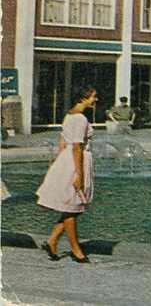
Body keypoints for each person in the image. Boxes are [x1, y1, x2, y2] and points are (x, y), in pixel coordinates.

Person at [36, 87, 98, 263]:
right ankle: (75, 249)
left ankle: (52, 240)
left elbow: (63, 142)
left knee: (73, 206)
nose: (96, 99)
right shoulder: (80, 118)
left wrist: (58, 166)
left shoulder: (69, 115)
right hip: (75, 162)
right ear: (83, 98)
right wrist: (79, 174)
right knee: (72, 207)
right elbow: (77, 147)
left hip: (67, 160)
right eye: (93, 96)